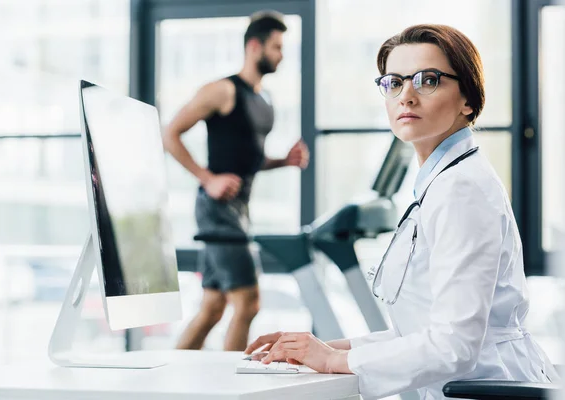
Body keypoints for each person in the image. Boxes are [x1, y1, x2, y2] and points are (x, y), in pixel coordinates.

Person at [243, 24, 558, 399]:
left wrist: (332, 360)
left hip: (484, 388)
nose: (406, 96)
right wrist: (321, 348)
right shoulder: (442, 181)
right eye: (394, 82)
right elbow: (415, 331)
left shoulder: (461, 189)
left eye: (428, 80)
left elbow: (453, 345)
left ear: (468, 101)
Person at [162, 11, 309, 352]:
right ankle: (231, 387)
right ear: (254, 46)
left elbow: (250, 160)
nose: (281, 55)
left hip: (240, 207)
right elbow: (170, 133)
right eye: (276, 47)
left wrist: (282, 161)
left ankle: (170, 375)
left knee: (213, 307)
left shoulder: (264, 100)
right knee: (248, 303)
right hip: (217, 209)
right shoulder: (222, 90)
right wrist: (207, 178)